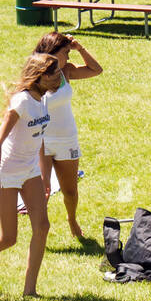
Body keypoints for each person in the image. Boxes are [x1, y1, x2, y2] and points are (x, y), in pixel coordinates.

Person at [0, 54, 58, 296]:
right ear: (39, 76)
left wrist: (44, 174)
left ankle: (30, 290)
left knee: (42, 226)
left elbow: (39, 136)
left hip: (30, 171)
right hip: (8, 172)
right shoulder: (21, 102)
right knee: (8, 238)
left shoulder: (43, 99)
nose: (58, 76)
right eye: (53, 72)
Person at [33, 33, 102, 240]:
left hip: (67, 139)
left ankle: (72, 220)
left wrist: (79, 48)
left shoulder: (66, 72)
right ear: (52, 53)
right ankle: (40, 231)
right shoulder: (34, 76)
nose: (69, 58)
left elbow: (96, 70)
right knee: (44, 189)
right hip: (42, 140)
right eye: (66, 53)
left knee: (70, 192)